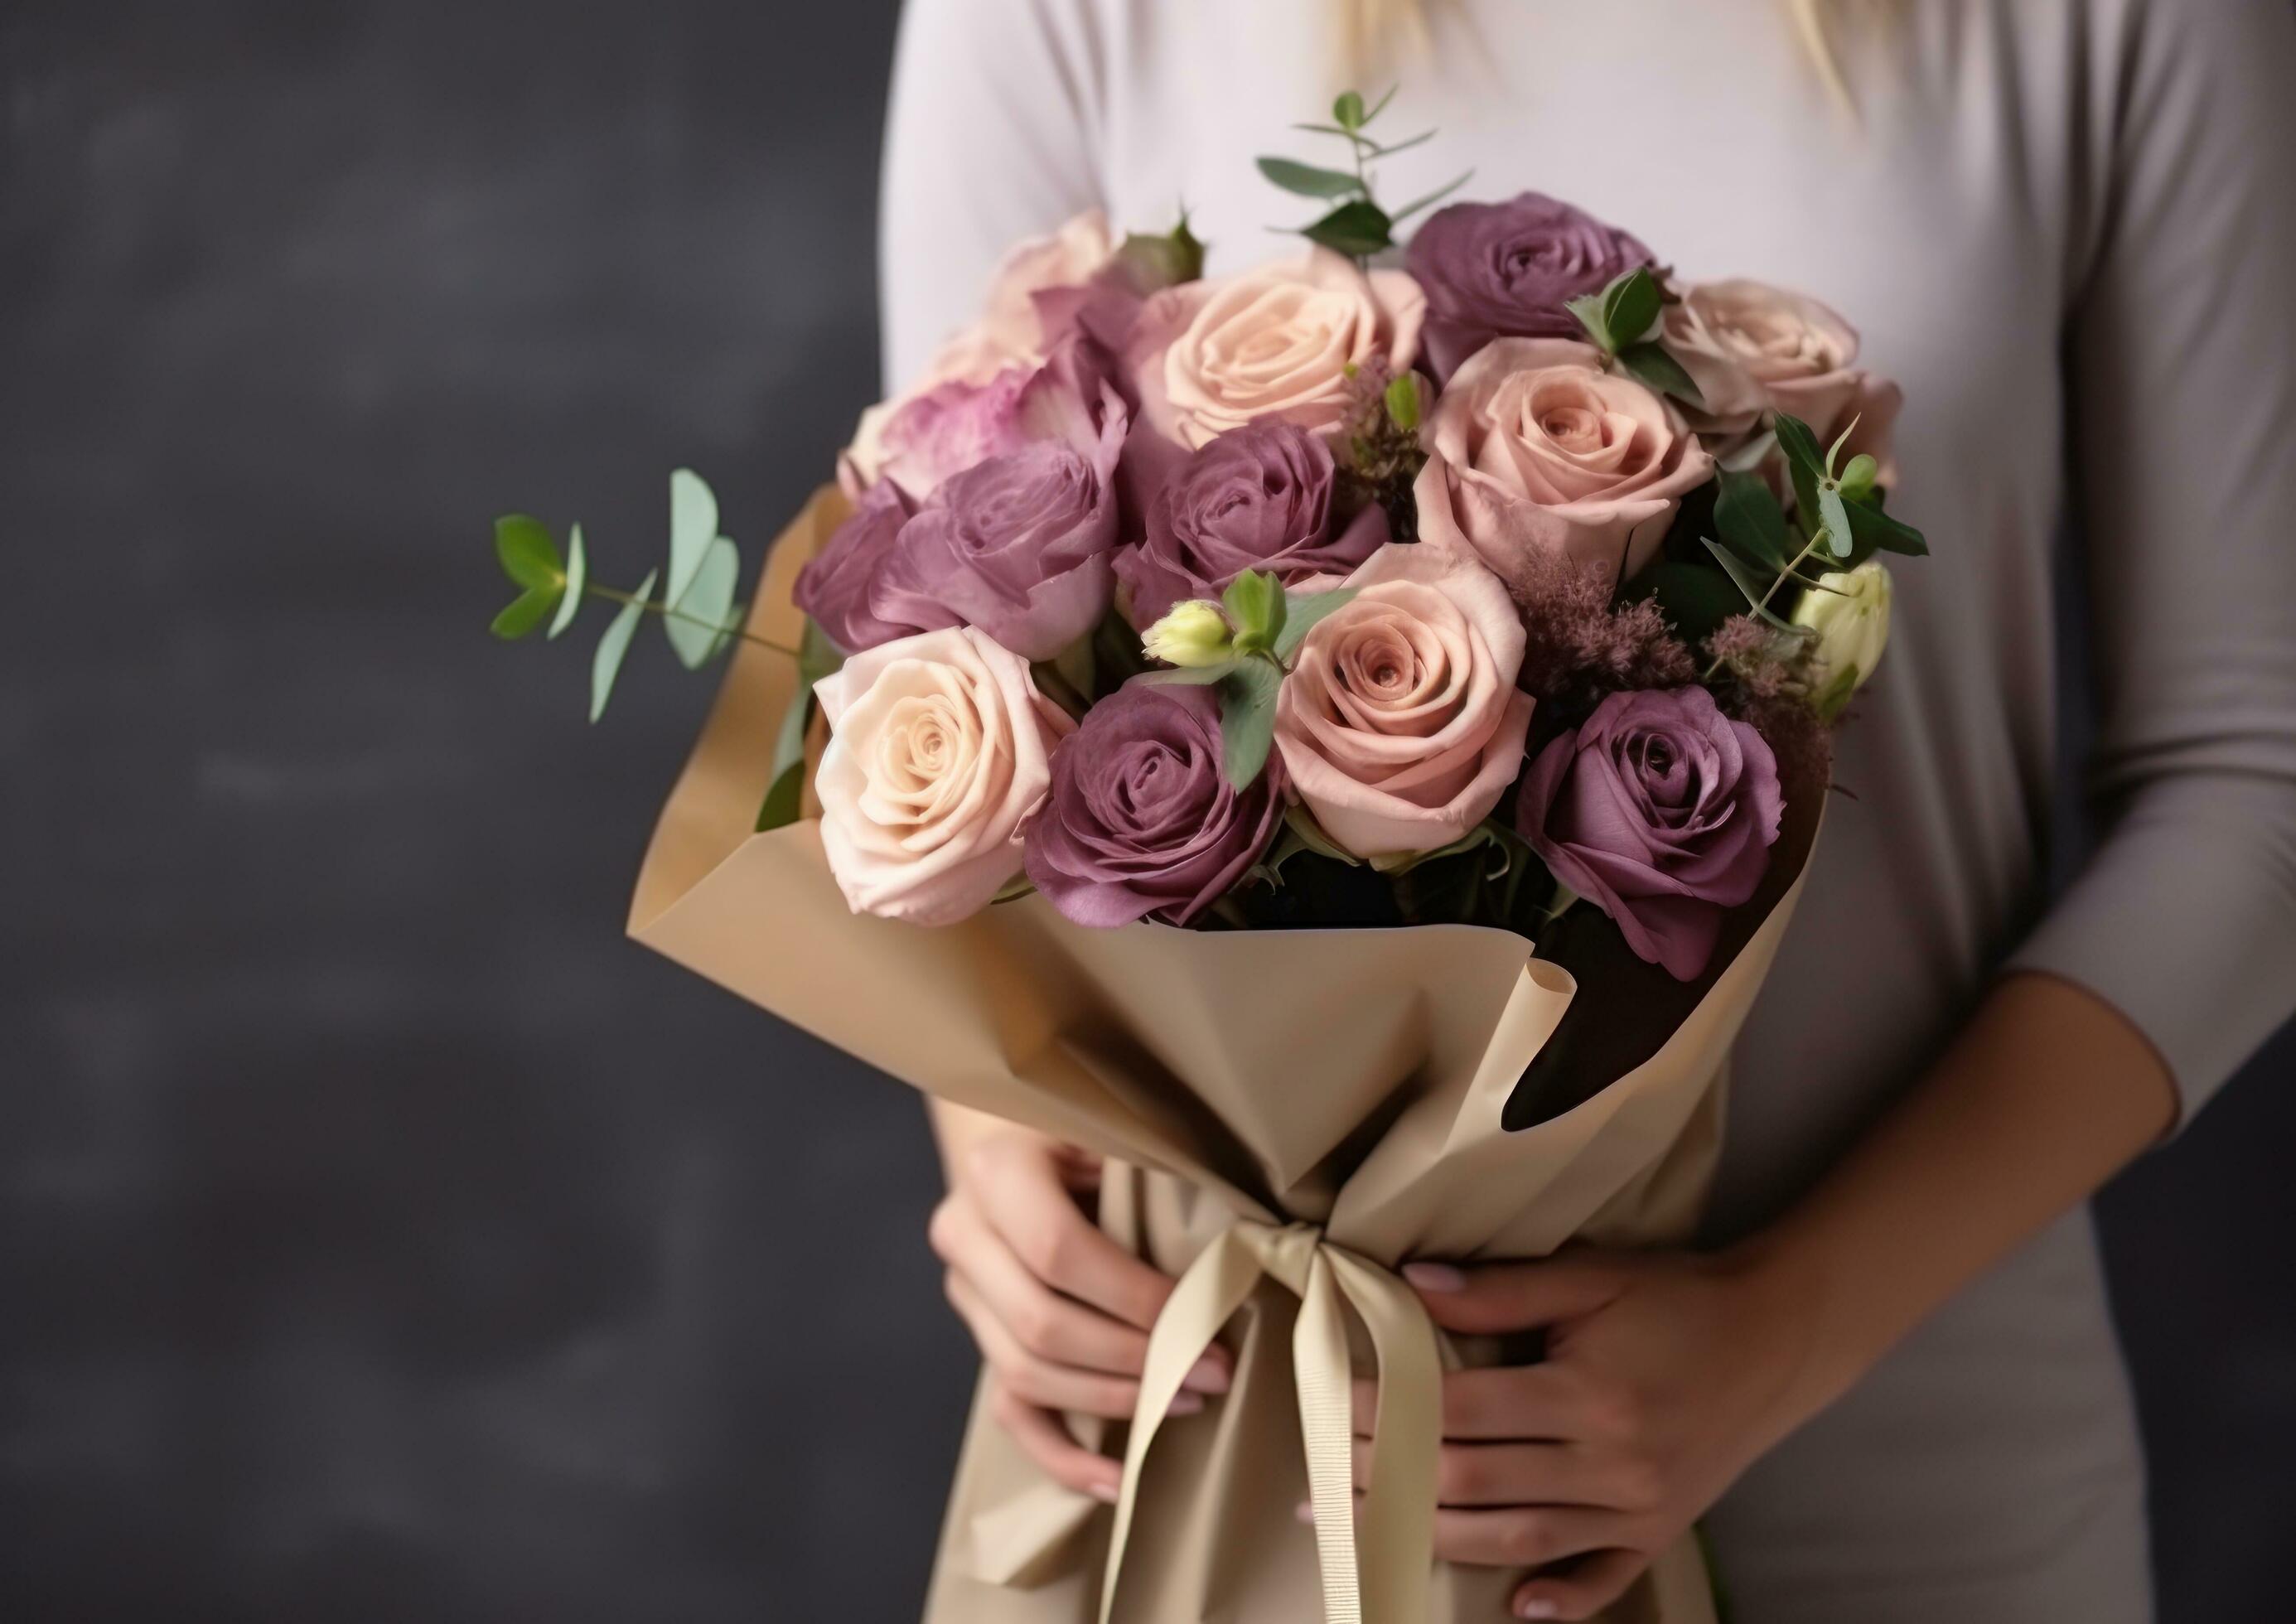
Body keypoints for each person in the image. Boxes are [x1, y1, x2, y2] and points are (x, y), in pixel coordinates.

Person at [880, 2, 2296, 1618]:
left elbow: (2252, 778)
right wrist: (997, 1151)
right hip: (1240, 1453)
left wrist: (1785, 1323)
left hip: (1894, 1456)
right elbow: (939, 646)